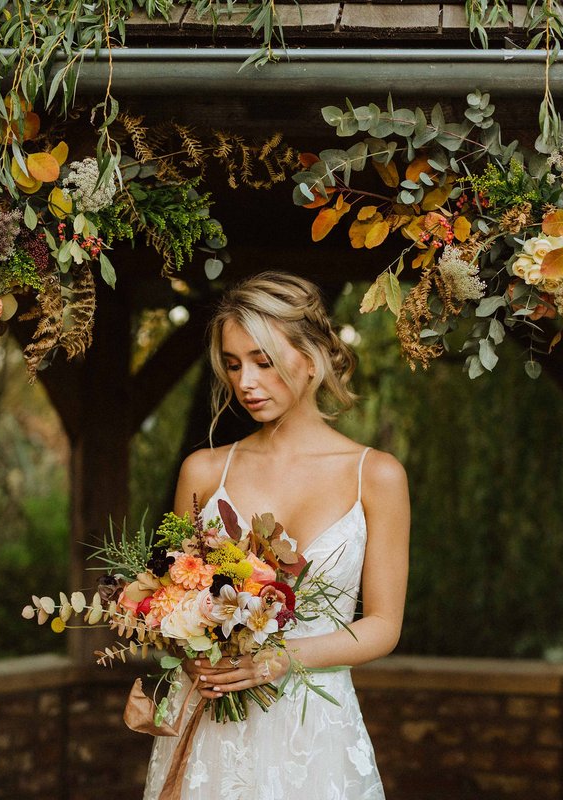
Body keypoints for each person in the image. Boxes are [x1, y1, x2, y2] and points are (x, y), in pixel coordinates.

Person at [142, 272, 410, 800]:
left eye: (263, 361)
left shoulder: (376, 476)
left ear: (312, 358)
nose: (245, 382)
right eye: (234, 363)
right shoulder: (203, 472)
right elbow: (172, 601)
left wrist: (280, 658)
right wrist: (190, 646)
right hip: (212, 728)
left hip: (316, 735)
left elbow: (383, 625)